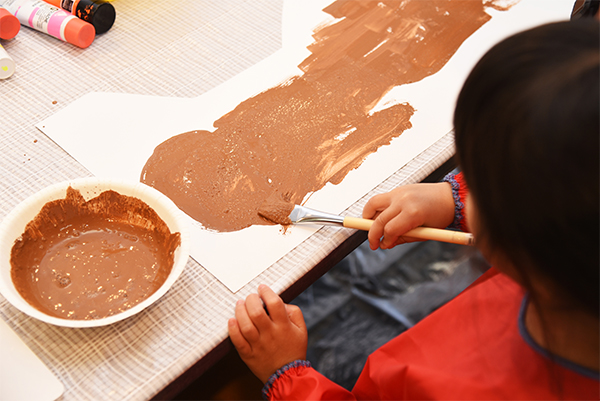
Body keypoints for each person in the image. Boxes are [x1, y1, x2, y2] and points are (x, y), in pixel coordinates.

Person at [228, 19, 600, 400]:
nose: (468, 181)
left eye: (478, 179)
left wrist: (288, 376)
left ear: (517, 230)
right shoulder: (569, 264)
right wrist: (453, 199)